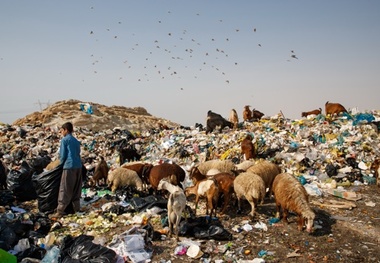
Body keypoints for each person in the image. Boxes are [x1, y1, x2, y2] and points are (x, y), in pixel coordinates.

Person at [49, 122, 82, 218]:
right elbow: (78, 153)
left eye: (62, 130)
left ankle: (60, 211)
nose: (61, 132)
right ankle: (77, 209)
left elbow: (63, 156)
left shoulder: (65, 140)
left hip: (69, 166)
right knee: (76, 189)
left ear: (66, 130)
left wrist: (59, 165)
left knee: (65, 189)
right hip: (78, 166)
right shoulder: (76, 140)